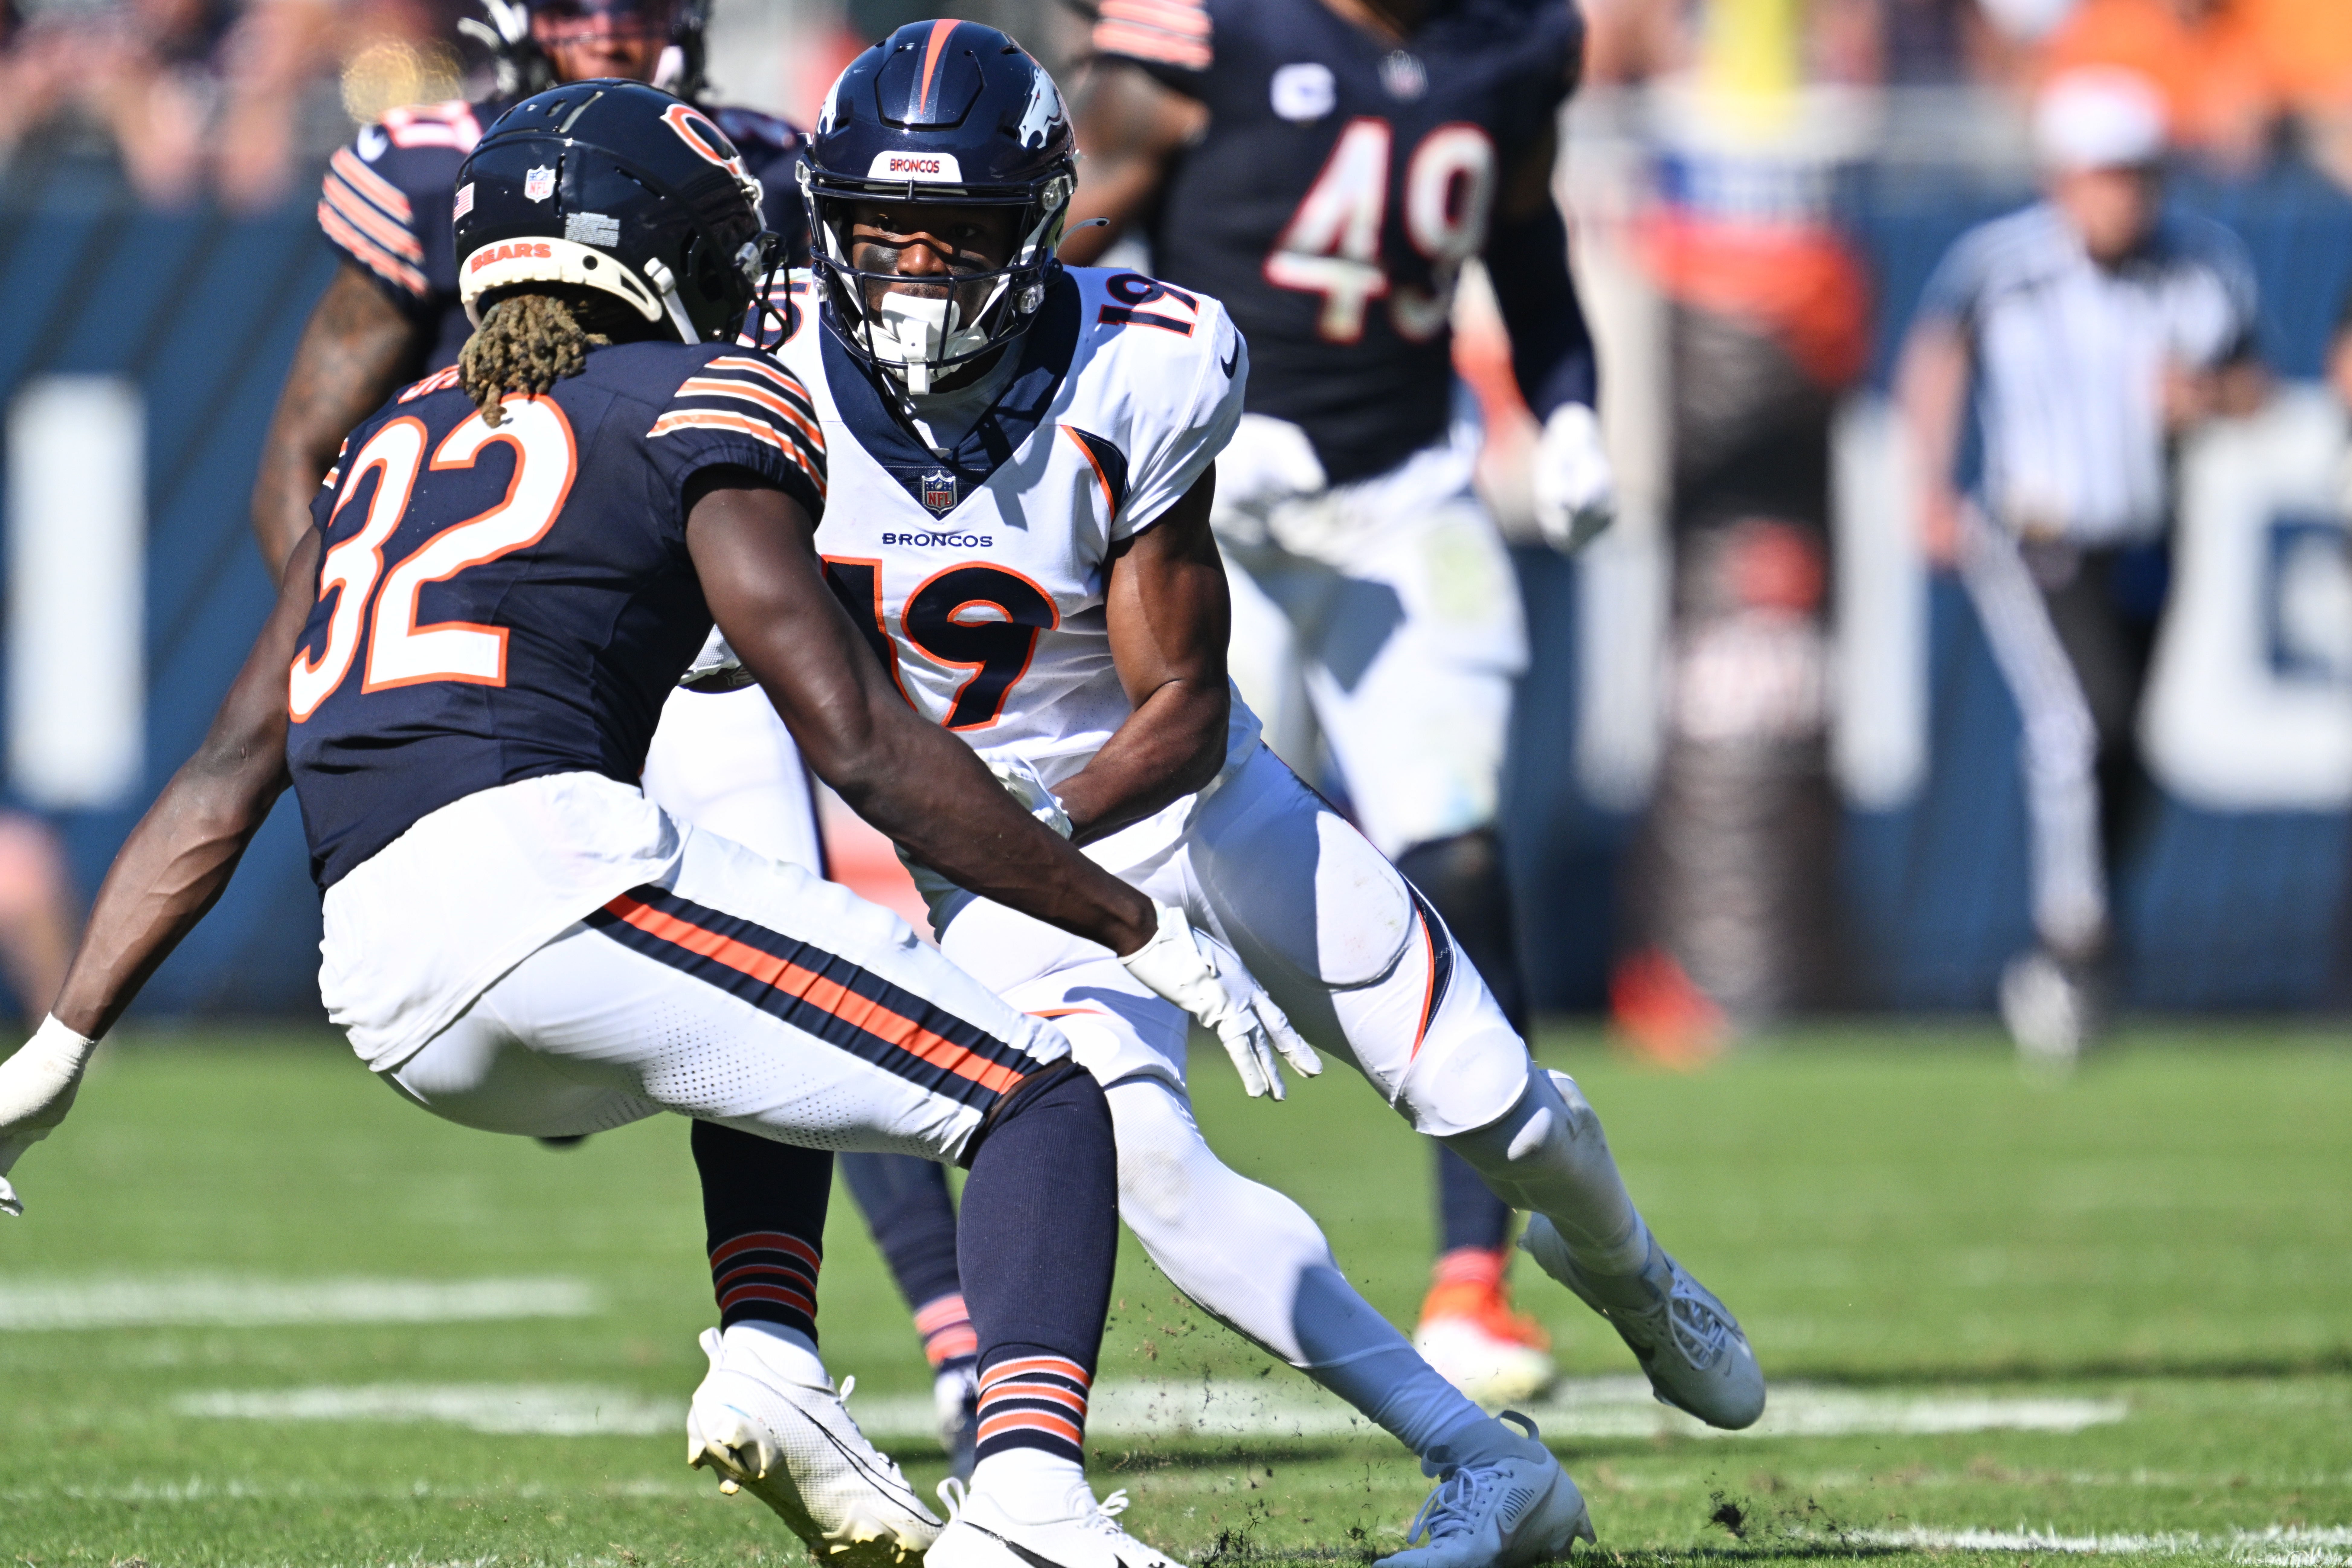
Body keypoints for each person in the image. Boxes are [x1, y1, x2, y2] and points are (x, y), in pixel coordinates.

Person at [0, 80, 1316, 1568]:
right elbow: (863, 743)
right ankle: (1026, 1502)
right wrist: (1127, 916)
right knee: (1043, 1097)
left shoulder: (383, 452)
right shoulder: (702, 398)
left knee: (773, 1015)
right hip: (542, 886)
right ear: (664, 255)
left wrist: (60, 1047)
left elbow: (228, 771)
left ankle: (775, 1355)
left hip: (374, 972)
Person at [769, 21, 1763, 1565]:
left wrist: (1070, 855)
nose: (911, 270)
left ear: (1032, 227)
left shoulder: (1135, 365)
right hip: (1002, 866)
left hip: (1190, 803)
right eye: (881, 230)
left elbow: (1181, 706)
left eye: (954, 233)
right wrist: (1051, 889)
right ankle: (1492, 1466)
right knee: (1144, 1159)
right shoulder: (762, 396)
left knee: (1490, 1102)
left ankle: (1630, 1267)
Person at [250, 0, 994, 1470]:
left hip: (696, 641)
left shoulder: (769, 160)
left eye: (645, 6)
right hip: (496, 660)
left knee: (817, 956)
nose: (615, 31)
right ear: (516, 23)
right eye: (586, 5)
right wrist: (352, 643)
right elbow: (307, 447)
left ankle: (906, 1347)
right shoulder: (427, 162)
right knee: (710, 1014)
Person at [1059, 0, 1617, 1398]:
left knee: (1460, 847)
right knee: (1154, 867)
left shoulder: (1517, 43)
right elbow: (1057, 240)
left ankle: (1473, 1278)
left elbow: (1526, 239)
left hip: (1405, 499)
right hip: (1211, 506)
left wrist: (1571, 405)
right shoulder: (1212, 40)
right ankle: (1057, 1269)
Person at [1897, 66, 2264, 1066]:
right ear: (2061, 179)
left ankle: (2092, 938)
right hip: (2038, 532)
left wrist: (2208, 400)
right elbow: (1934, 357)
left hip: (2145, 534)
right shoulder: (2003, 263)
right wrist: (1926, 487)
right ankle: (2073, 941)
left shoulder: (2201, 265)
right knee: (2072, 728)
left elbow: (2250, 383)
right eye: (2103, 177)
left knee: (2129, 752)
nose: (2121, 199)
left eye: (2136, 177)